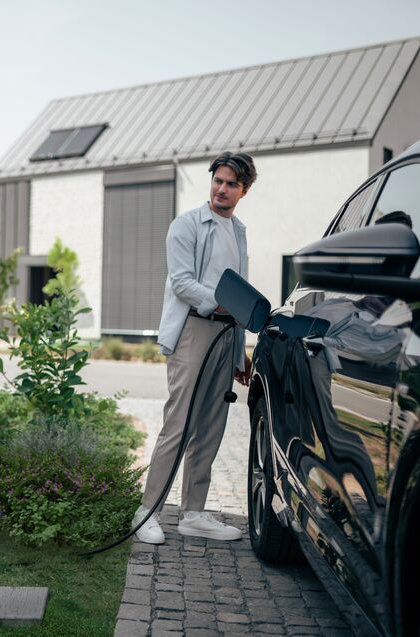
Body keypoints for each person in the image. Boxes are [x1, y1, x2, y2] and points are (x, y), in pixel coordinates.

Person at [133, 152, 257, 544]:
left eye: (231, 184)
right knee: (179, 423)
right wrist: (228, 304)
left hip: (226, 335)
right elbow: (183, 284)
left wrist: (239, 350)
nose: (222, 189)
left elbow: (238, 290)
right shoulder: (186, 226)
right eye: (217, 181)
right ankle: (146, 512)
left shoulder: (238, 231)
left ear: (244, 189)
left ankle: (193, 513)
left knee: (212, 427)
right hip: (194, 331)